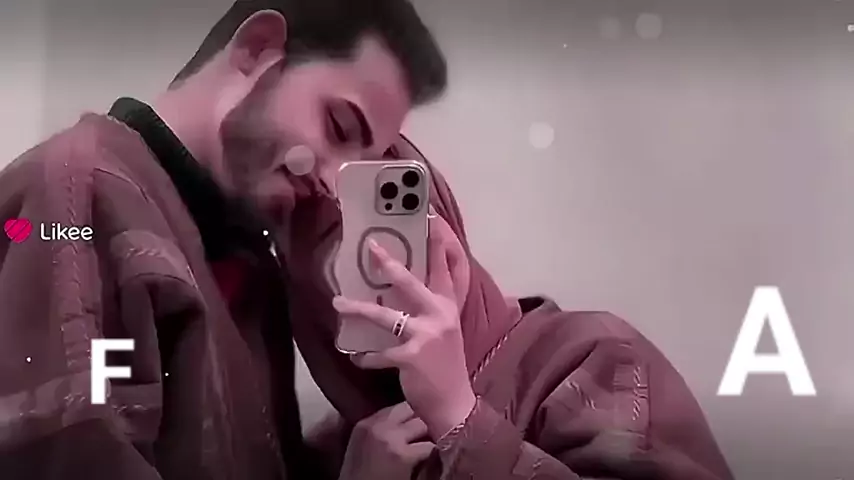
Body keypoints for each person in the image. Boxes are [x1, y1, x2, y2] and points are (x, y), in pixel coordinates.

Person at [0, 1, 446, 478]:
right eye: (339, 127)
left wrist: (369, 440)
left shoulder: (248, 255)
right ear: (256, 49)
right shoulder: (79, 197)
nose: (333, 183)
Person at [284, 135, 735, 480]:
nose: (389, 261)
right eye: (347, 251)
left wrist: (460, 419)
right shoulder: (343, 449)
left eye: (400, 217)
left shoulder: (593, 360)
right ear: (316, 311)